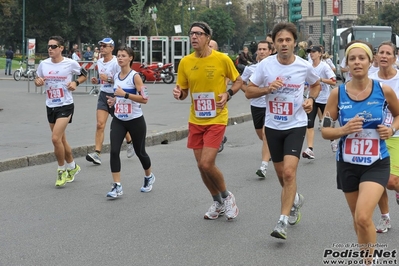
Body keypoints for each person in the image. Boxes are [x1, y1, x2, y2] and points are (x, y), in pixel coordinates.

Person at [321, 40, 399, 266]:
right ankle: (367, 258)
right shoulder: (338, 94)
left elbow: (398, 116)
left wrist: (391, 129)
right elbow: (325, 131)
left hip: (377, 162)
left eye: (361, 58)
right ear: (347, 64)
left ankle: (370, 261)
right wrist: (343, 130)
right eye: (352, 59)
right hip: (347, 164)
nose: (357, 62)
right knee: (359, 221)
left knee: (364, 216)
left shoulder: (383, 90)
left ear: (369, 61)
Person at [246, 22, 321, 239]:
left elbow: (315, 85)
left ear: (295, 43)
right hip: (273, 126)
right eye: (280, 40)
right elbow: (249, 91)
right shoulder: (265, 66)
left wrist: (310, 99)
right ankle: (295, 199)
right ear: (274, 44)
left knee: (289, 172)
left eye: (288, 40)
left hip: (295, 125)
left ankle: (282, 221)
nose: (284, 44)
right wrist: (267, 89)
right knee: (281, 175)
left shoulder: (303, 66)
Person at [172, 21, 243, 221]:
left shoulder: (222, 59)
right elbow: (184, 92)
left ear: (208, 38)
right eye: (191, 33)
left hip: (217, 118)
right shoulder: (185, 62)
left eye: (199, 34)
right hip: (196, 119)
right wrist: (179, 93)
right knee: (201, 166)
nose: (194, 37)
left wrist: (228, 94)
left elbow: (239, 80)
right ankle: (218, 202)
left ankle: (228, 197)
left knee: (206, 163)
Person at [34, 36, 87, 187]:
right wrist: (37, 82)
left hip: (66, 104)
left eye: (54, 46)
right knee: (61, 140)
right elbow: (38, 80)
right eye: (49, 46)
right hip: (50, 105)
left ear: (61, 48)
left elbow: (84, 75)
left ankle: (61, 170)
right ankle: (73, 167)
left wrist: (75, 82)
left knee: (55, 139)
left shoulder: (70, 63)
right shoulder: (43, 64)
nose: (50, 49)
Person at [104, 46, 154, 198]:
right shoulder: (117, 75)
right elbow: (118, 95)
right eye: (118, 55)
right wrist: (114, 100)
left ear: (130, 58)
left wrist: (124, 95)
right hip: (119, 119)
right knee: (114, 151)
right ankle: (117, 186)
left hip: (135, 120)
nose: (120, 58)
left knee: (140, 152)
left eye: (123, 56)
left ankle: (149, 176)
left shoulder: (135, 76)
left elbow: (145, 99)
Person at [87, 37, 134, 165]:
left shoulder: (116, 62)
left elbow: (121, 80)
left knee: (122, 123)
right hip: (103, 94)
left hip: (116, 95)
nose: (101, 48)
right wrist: (97, 81)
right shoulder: (99, 62)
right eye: (100, 45)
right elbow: (101, 78)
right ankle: (97, 153)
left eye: (104, 46)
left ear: (111, 48)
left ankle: (130, 143)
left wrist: (107, 79)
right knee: (100, 124)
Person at [369, 42, 399, 234]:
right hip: (374, 136)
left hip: (396, 135)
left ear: (395, 58)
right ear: (376, 56)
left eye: (389, 53)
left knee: (391, 181)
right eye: (381, 53)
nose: (384, 56)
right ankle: (385, 217)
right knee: (378, 180)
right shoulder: (369, 80)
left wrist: (392, 128)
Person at [242, 40, 272, 178]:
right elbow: (241, 82)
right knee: (262, 136)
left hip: (270, 106)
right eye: (259, 49)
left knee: (267, 135)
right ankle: (272, 149)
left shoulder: (275, 68)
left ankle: (263, 166)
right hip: (256, 106)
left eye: (264, 49)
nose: (261, 52)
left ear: (270, 51)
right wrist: (249, 92)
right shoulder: (251, 69)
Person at [302, 45, 337, 159]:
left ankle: (333, 141)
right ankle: (310, 149)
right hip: (312, 98)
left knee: (326, 124)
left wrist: (320, 79)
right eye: (310, 52)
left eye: (313, 52)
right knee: (309, 123)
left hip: (324, 99)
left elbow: (333, 81)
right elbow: (306, 81)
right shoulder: (308, 66)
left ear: (319, 54)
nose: (311, 54)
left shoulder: (324, 67)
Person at [208, 39, 228, 153]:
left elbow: (232, 76)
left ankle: (219, 139)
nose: (209, 47)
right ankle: (220, 137)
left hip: (219, 98)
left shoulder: (222, 60)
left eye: (211, 46)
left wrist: (226, 91)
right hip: (203, 102)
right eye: (208, 45)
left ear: (216, 49)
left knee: (217, 119)